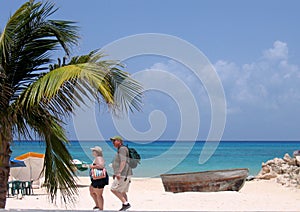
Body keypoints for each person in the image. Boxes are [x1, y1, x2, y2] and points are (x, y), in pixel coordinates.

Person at [110, 136, 132, 211]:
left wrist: (119, 172)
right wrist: (115, 172)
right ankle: (125, 207)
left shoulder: (122, 149)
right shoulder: (122, 149)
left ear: (119, 141)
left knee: (113, 189)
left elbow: (123, 161)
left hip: (123, 174)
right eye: (112, 141)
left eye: (114, 141)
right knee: (122, 191)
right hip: (126, 174)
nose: (113, 143)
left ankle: (126, 204)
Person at [89, 146, 108, 211]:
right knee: (92, 191)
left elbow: (101, 166)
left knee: (99, 195)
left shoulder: (99, 158)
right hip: (96, 179)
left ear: (96, 152)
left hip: (99, 179)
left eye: (93, 151)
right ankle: (97, 205)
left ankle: (100, 208)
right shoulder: (97, 158)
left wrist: (92, 166)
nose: (92, 152)